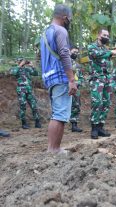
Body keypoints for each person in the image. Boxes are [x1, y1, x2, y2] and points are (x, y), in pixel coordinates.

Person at [40, 4, 77, 153]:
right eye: (70, 19)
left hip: (49, 77)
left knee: (57, 112)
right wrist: (71, 80)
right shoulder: (60, 30)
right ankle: (54, 149)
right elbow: (63, 53)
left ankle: (52, 148)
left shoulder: (45, 33)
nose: (70, 21)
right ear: (65, 17)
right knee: (60, 114)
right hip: (60, 76)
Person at [87, 28, 116, 139]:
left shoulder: (106, 49)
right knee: (97, 102)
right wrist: (112, 52)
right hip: (97, 79)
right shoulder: (92, 47)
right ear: (98, 36)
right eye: (104, 35)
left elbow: (108, 61)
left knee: (106, 103)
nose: (106, 37)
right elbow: (97, 55)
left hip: (107, 80)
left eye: (107, 36)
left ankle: (101, 127)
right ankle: (94, 128)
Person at [10, 58, 41, 129]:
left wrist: (32, 66)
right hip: (21, 90)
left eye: (23, 61)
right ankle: (24, 123)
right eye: (21, 61)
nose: (23, 62)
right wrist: (20, 65)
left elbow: (36, 74)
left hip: (29, 90)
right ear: (18, 62)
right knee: (23, 106)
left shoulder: (27, 69)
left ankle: (37, 121)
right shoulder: (15, 68)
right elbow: (13, 73)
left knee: (34, 106)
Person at [69, 47, 84, 132]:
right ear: (69, 51)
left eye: (77, 52)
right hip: (65, 87)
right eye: (74, 51)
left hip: (76, 89)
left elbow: (81, 77)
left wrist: (78, 83)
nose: (76, 53)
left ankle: (74, 125)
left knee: (76, 106)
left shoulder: (78, 65)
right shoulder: (64, 62)